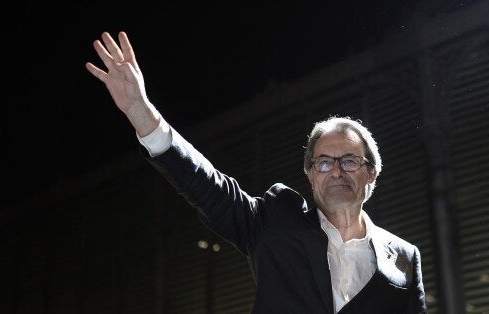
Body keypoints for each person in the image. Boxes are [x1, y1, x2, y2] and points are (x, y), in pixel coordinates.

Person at [86, 31, 426, 314]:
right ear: (310, 175)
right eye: (324, 162)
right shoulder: (273, 221)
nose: (336, 171)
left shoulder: (405, 257)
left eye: (349, 161)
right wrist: (140, 111)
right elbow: (208, 187)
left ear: (372, 174)